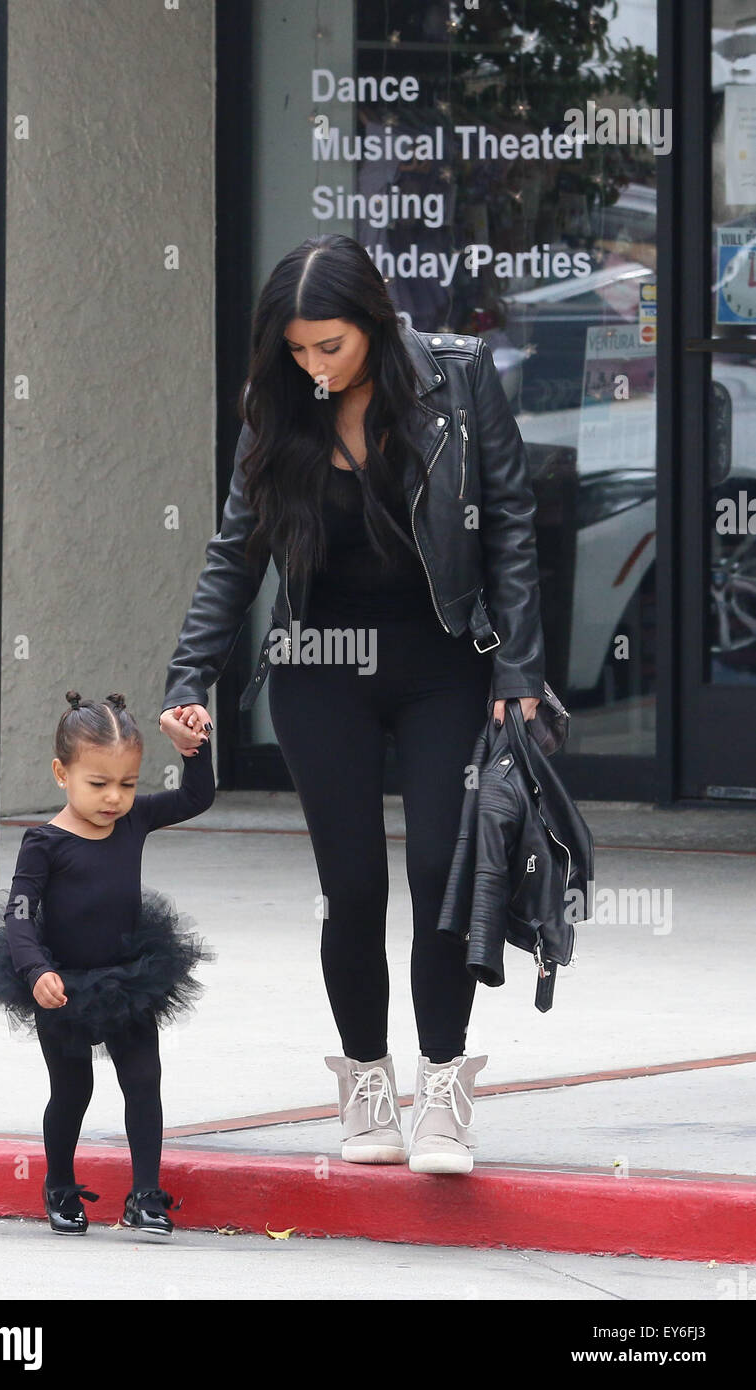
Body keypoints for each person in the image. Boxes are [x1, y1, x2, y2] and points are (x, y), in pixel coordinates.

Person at [159, 232, 544, 1175]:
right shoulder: (277, 406)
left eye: (328, 346)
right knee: (354, 888)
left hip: (444, 664)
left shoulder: (458, 378)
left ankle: (445, 1086)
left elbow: (511, 526)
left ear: (372, 322)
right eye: (296, 349)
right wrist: (188, 678)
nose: (313, 365)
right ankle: (367, 1080)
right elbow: (234, 552)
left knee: (441, 884)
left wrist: (520, 674)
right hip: (319, 669)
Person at [0, 691, 214, 1234]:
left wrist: (194, 747)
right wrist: (36, 971)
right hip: (63, 985)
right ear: (62, 772)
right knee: (72, 1089)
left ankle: (146, 1194)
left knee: (143, 1080)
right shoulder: (44, 844)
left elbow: (197, 798)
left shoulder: (134, 820)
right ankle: (59, 1185)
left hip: (127, 979)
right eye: (98, 784)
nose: (114, 798)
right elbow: (20, 916)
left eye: (127, 783)